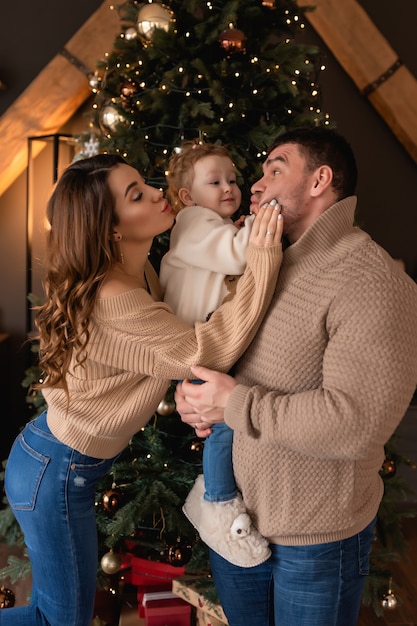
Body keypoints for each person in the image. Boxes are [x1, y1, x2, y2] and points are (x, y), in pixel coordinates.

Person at [2, 153, 283, 626]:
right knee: (57, 620)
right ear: (110, 228)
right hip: (55, 471)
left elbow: (166, 348)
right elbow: (204, 347)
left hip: (55, 463)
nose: (158, 193)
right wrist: (263, 256)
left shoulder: (138, 272)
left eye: (145, 184)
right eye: (137, 195)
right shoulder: (115, 298)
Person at [175, 126, 417, 626]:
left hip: (315, 540)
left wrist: (235, 403)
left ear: (319, 180)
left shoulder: (369, 277)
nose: (256, 186)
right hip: (239, 529)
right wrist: (199, 398)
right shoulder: (269, 260)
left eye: (275, 169)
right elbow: (233, 357)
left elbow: (356, 422)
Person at [160, 140, 280, 568]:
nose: (229, 187)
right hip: (195, 351)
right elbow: (235, 256)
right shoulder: (193, 223)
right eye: (215, 182)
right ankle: (219, 501)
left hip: (208, 349)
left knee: (222, 424)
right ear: (187, 198)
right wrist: (263, 221)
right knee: (223, 427)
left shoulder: (212, 223)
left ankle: (218, 495)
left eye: (232, 178)